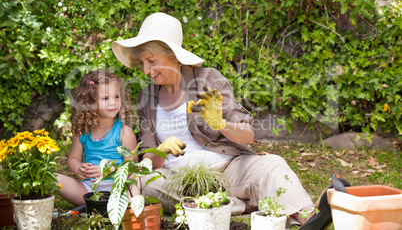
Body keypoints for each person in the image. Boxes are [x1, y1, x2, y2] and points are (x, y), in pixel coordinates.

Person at [111, 12, 315, 226]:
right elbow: (149, 165)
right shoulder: (146, 97)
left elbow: (248, 136)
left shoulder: (207, 79)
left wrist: (220, 123)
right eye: (142, 62)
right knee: (149, 185)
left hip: (229, 170)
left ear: (173, 55)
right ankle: (240, 204)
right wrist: (159, 151)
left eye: (151, 61)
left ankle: (309, 219)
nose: (145, 70)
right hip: (178, 180)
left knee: (272, 165)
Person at [56, 69, 138, 206]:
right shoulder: (83, 131)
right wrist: (78, 168)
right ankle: (97, 205)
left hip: (119, 190)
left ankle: (123, 209)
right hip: (89, 191)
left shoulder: (124, 131)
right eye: (105, 98)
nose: (112, 103)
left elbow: (132, 167)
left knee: (137, 178)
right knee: (53, 178)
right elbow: (73, 158)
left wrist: (109, 171)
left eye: (116, 97)